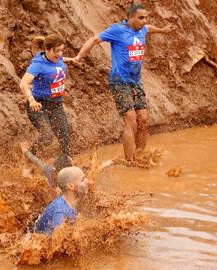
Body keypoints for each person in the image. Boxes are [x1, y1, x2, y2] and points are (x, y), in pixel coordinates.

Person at [74, 3, 174, 161]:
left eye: (145, 17)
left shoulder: (142, 29)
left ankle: (140, 155)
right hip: (119, 81)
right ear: (131, 17)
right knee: (131, 121)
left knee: (144, 120)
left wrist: (162, 30)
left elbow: (149, 27)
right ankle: (129, 162)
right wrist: (79, 57)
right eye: (141, 18)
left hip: (136, 81)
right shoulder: (117, 30)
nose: (144, 21)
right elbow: (94, 40)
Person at [19, 34, 76, 162]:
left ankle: (68, 168)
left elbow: (61, 59)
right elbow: (23, 83)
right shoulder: (38, 65)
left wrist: (71, 59)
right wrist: (32, 100)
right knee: (47, 136)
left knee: (64, 136)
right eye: (56, 51)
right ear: (47, 50)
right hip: (38, 105)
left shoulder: (58, 58)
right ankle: (28, 159)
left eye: (62, 50)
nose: (60, 54)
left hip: (56, 104)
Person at [33, 166, 89, 234]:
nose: (88, 181)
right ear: (71, 186)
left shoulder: (71, 201)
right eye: (82, 180)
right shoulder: (60, 213)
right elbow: (57, 241)